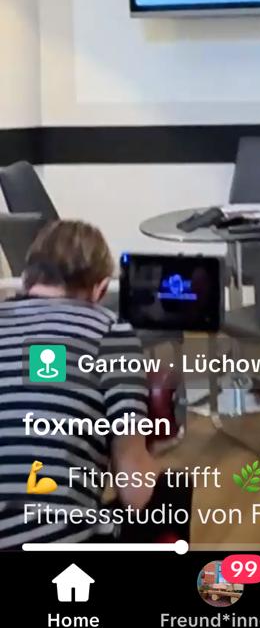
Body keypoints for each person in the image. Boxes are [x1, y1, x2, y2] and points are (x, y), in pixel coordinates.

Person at [0, 219, 165, 548]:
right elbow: (134, 490)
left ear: (27, 278)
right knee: (172, 492)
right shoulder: (110, 331)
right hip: (52, 540)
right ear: (100, 289)